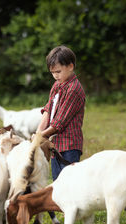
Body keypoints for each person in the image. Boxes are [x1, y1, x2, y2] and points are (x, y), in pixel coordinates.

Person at [37, 45, 86, 181]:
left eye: (58, 71)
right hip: (56, 143)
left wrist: (40, 137)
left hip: (69, 145)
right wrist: (38, 132)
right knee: (57, 182)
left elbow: (59, 123)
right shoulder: (57, 85)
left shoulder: (73, 90)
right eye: (52, 72)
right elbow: (48, 109)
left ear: (70, 66)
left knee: (69, 183)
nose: (55, 75)